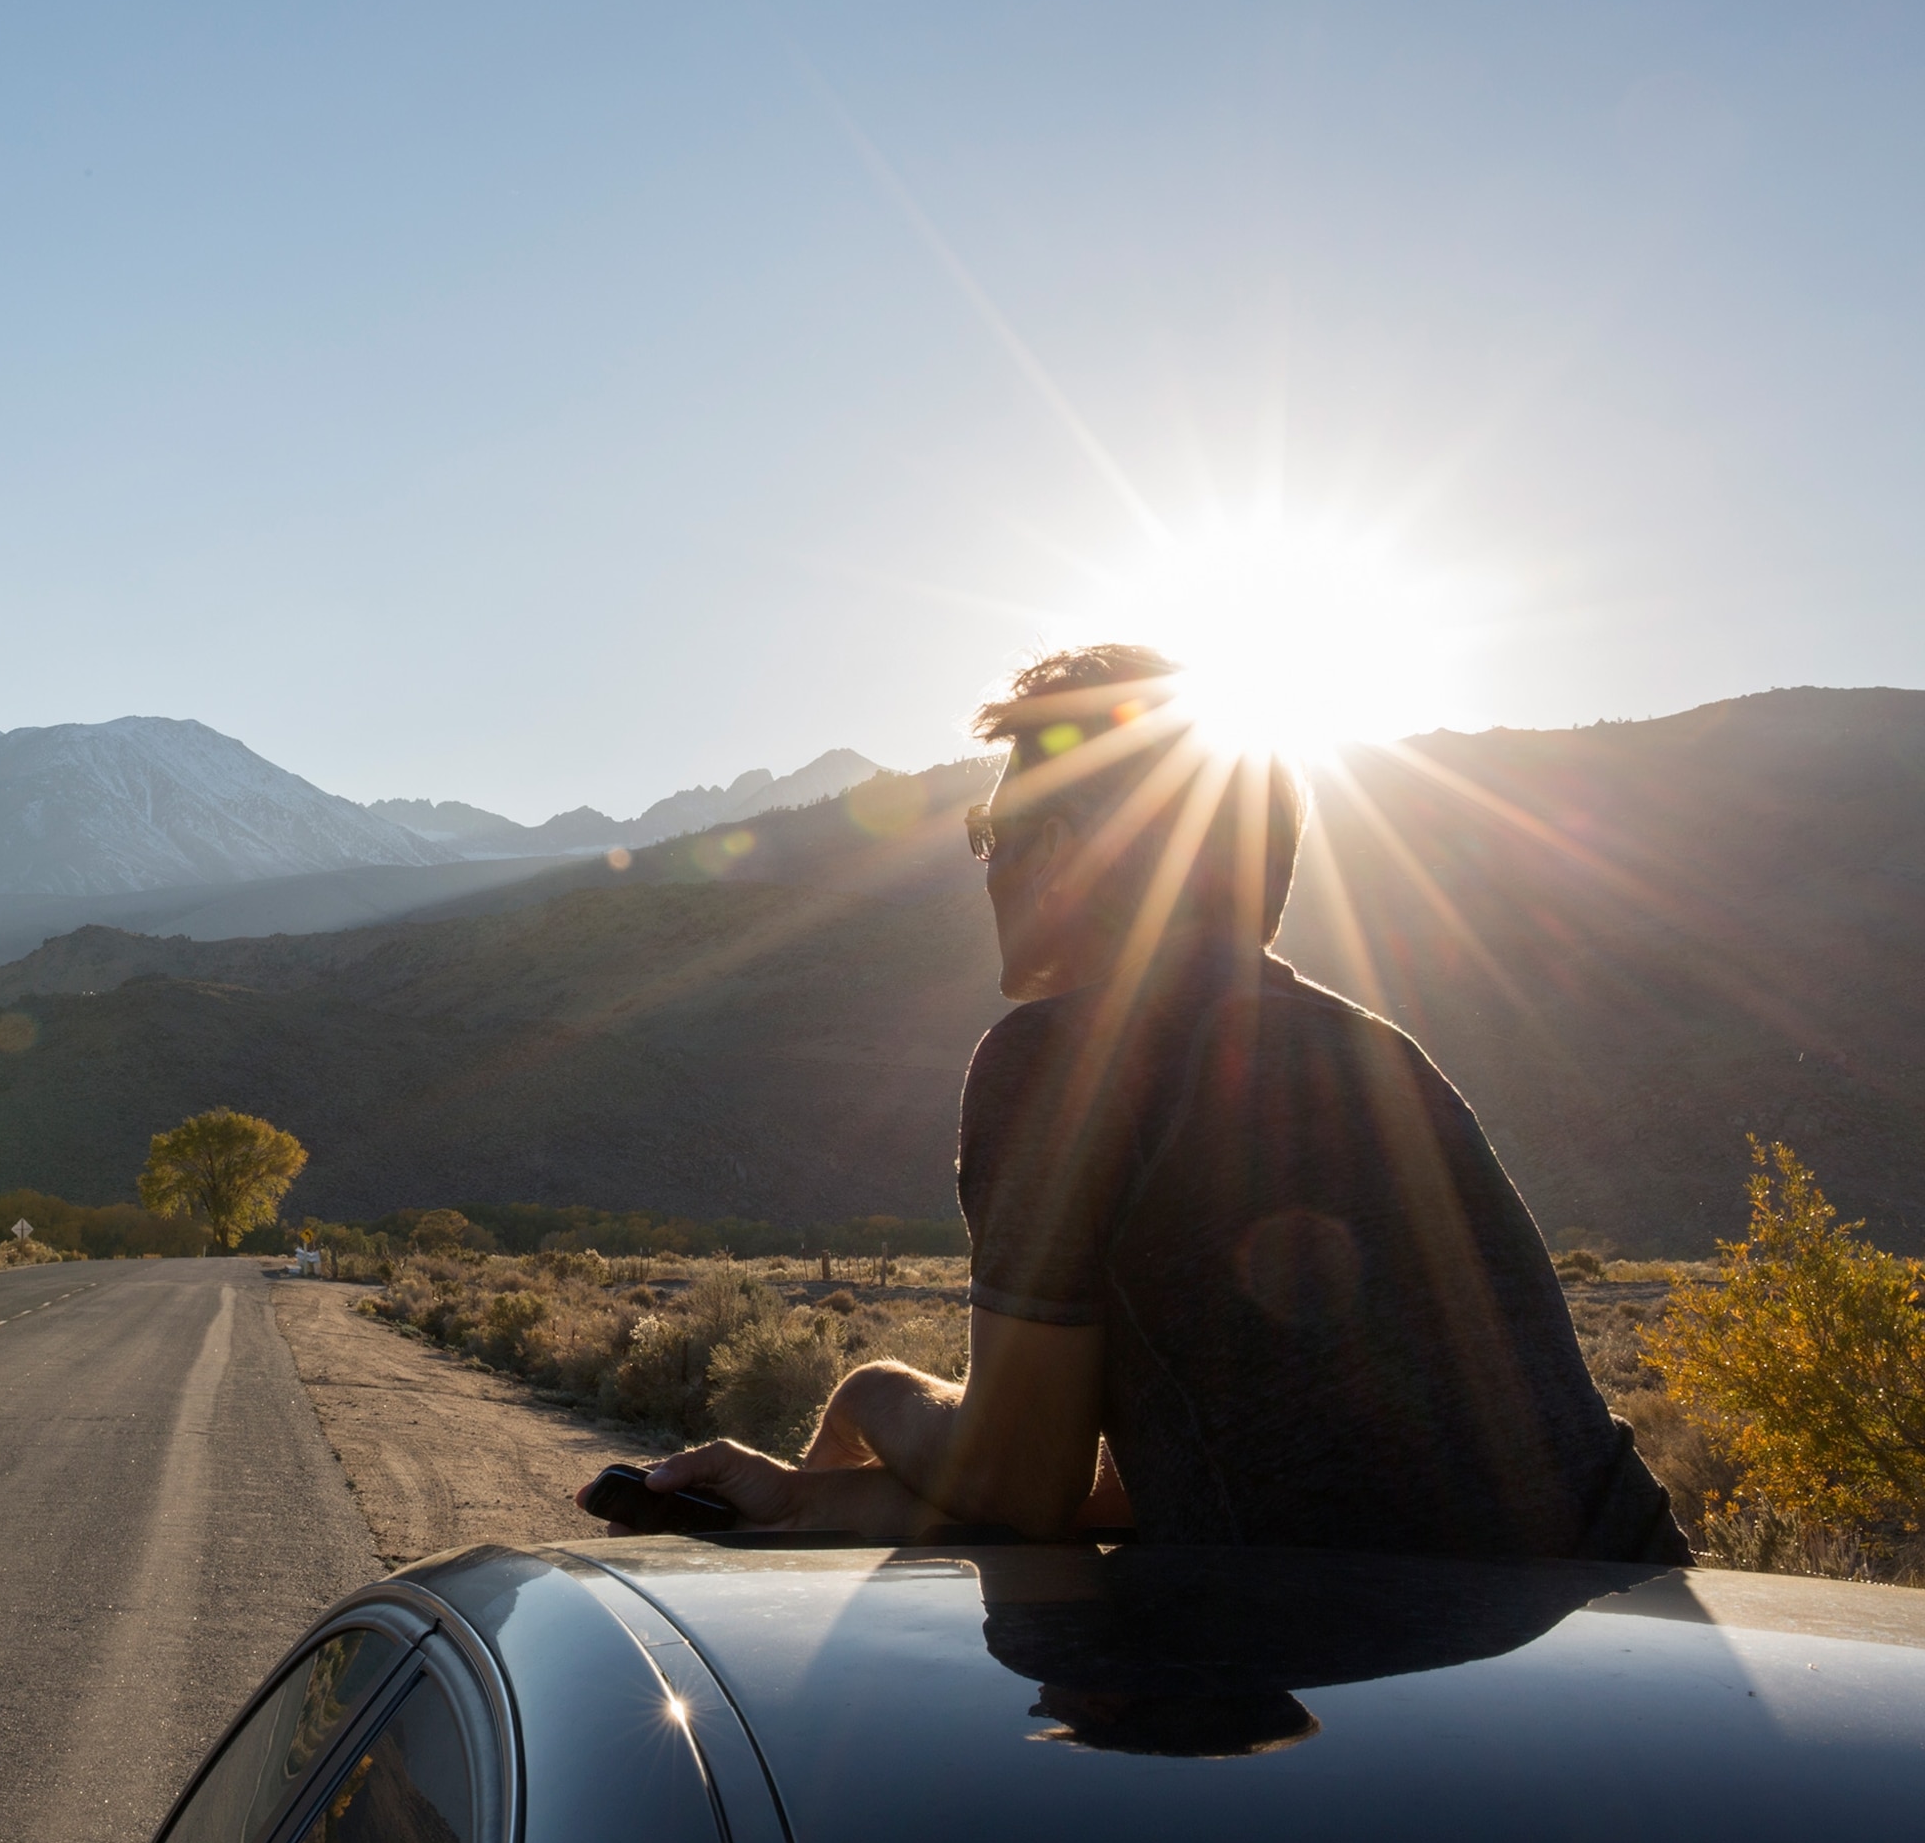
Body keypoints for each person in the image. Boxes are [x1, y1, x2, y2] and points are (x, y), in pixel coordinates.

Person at [606, 644, 1689, 1565]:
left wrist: (868, 1392)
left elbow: (1021, 1486)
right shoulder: (1380, 1057)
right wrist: (804, 1503)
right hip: (1647, 1634)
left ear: (1059, 854)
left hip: (1389, 1675)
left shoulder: (1063, 1059)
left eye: (993, 833)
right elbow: (1194, 1471)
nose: (987, 870)